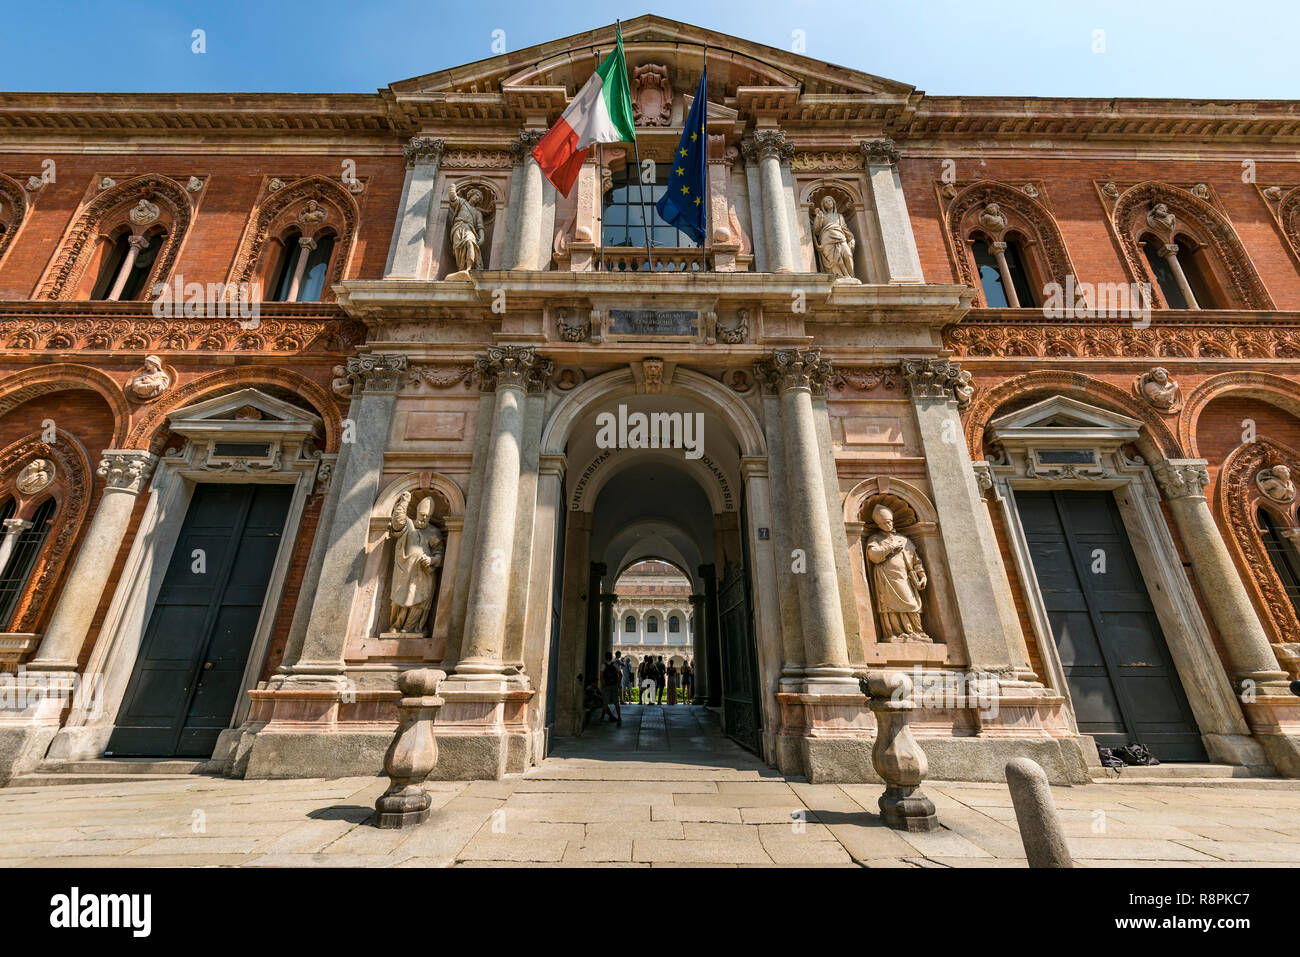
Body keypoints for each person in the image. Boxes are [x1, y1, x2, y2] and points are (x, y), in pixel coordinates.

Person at [600, 652, 622, 725]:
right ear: (611, 658)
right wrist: (618, 684)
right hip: (614, 685)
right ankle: (619, 717)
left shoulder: (603, 665)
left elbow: (601, 676)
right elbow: (620, 675)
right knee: (616, 703)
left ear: (605, 657)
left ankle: (602, 717)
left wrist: (603, 684)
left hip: (607, 686)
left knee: (605, 702)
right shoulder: (615, 664)